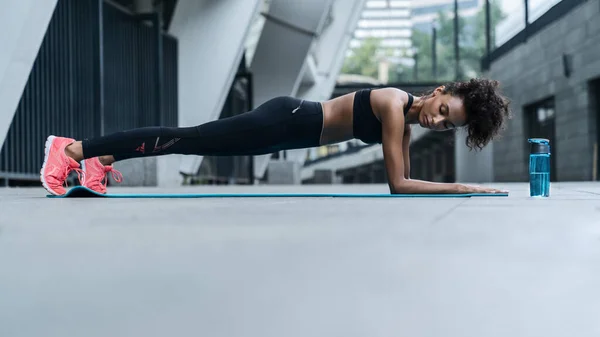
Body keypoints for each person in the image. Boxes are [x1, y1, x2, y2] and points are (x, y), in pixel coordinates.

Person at [40, 77, 511, 196]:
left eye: (448, 125)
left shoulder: (404, 123)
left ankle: (101, 161)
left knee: (188, 141)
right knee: (186, 139)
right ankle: (74, 149)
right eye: (444, 111)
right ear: (440, 92)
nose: (438, 121)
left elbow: (405, 183)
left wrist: (453, 187)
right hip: (285, 119)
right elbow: (399, 184)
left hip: (284, 133)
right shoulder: (392, 104)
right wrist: (462, 186)